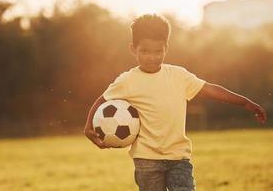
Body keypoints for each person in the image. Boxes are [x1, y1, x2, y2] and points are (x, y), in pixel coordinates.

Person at [84, 14, 267, 191]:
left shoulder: (179, 76)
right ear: (133, 49)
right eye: (145, 51)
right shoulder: (127, 81)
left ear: (166, 48)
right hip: (146, 160)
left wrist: (244, 103)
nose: (152, 57)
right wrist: (88, 126)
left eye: (158, 51)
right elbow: (102, 100)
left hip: (179, 157)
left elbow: (209, 89)